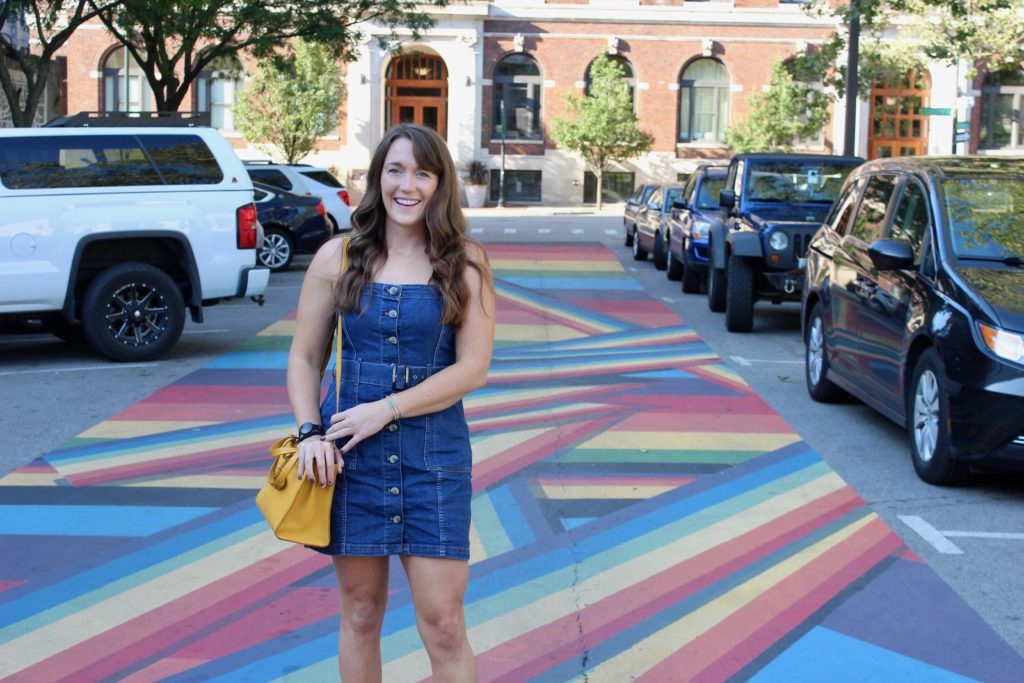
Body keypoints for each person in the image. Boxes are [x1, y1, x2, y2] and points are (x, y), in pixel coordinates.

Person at [286, 123, 495, 681]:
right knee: (359, 614)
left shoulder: (465, 262)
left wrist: (389, 408)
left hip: (436, 460)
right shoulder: (337, 257)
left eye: (422, 172)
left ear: (439, 183)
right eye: (395, 170)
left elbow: (473, 368)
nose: (408, 185)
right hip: (349, 462)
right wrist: (309, 432)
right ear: (378, 179)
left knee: (444, 623)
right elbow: (305, 360)